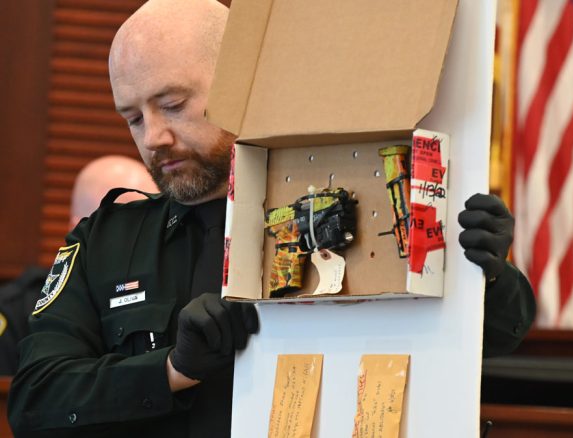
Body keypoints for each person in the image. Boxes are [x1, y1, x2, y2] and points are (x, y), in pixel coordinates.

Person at [8, 0, 534, 436]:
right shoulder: (107, 240)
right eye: (132, 117)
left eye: (171, 104)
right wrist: (171, 370)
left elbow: (494, 337)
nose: (153, 138)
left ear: (241, 81)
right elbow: (35, 398)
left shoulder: (347, 201)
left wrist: (484, 269)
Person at [0, 156, 157, 376]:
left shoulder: (166, 305)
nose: (136, 242)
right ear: (76, 228)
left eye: (148, 227)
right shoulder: (17, 313)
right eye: (119, 227)